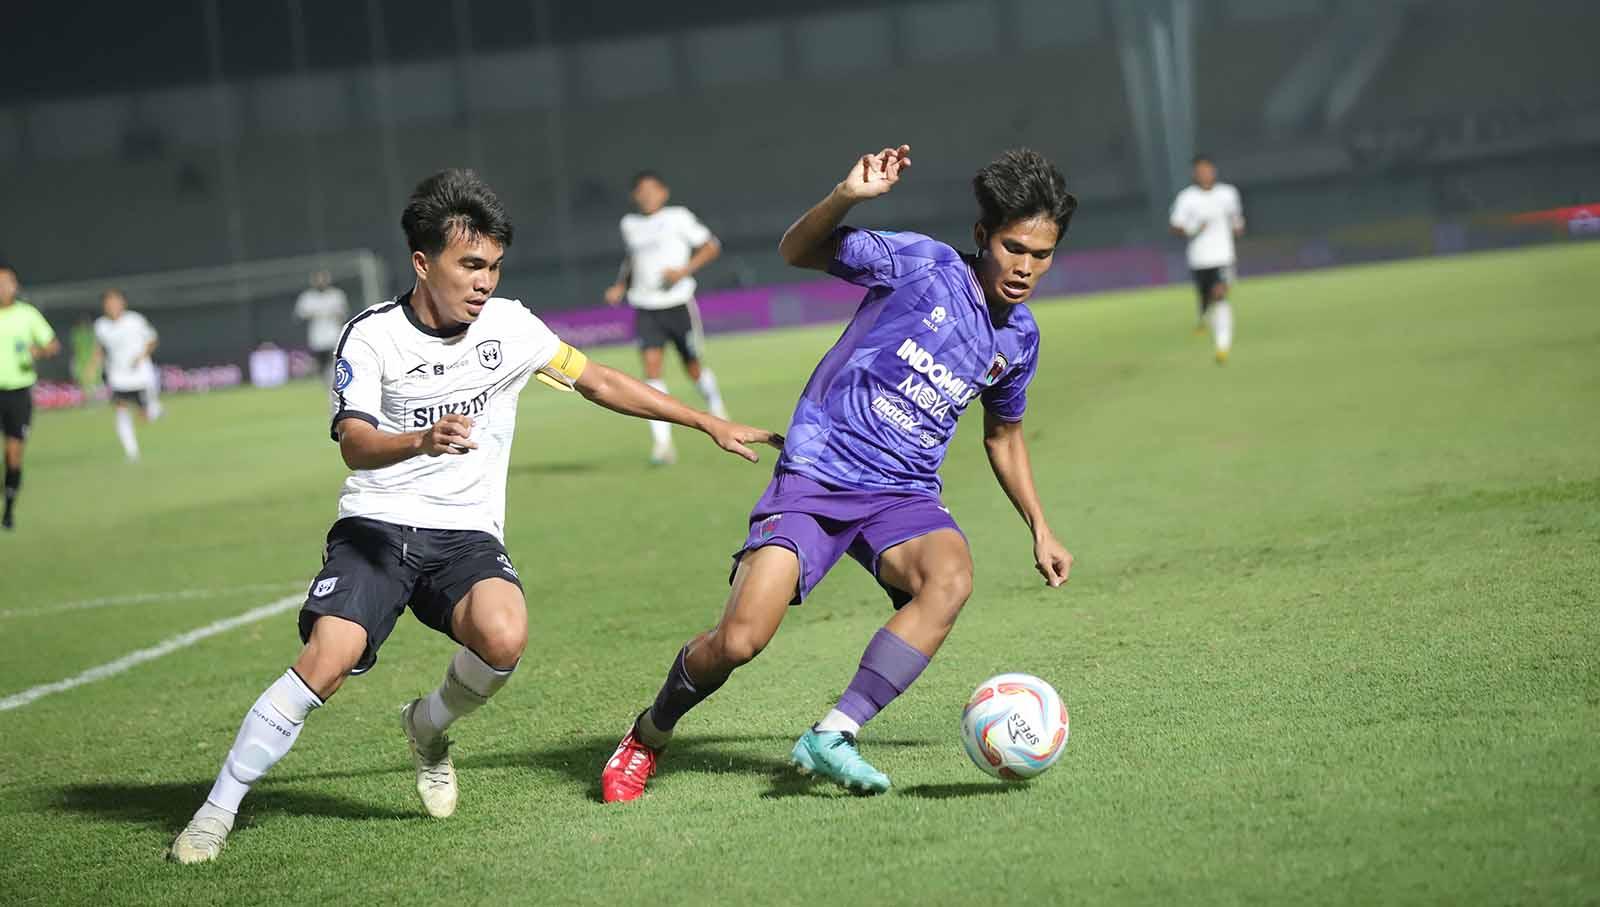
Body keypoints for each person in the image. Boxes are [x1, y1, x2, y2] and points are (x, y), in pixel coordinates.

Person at [168, 169, 782, 864]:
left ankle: (426, 728)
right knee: (328, 659)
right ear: (423, 263)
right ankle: (214, 814)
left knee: (504, 635)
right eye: (469, 265)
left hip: (464, 534)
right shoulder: (370, 338)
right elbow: (354, 443)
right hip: (377, 527)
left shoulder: (512, 327)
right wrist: (421, 439)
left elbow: (599, 380)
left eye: (493, 265)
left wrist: (703, 420)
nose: (484, 280)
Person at [600, 146, 1076, 801]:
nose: (1025, 267)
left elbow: (1004, 434)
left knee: (951, 576)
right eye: (1014, 247)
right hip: (819, 476)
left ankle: (835, 731)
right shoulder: (922, 266)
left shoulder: (1018, 339)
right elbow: (798, 250)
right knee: (739, 641)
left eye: (1041, 254)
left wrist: (1040, 527)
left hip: (902, 496)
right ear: (982, 237)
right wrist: (847, 196)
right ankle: (648, 733)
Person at [603, 171, 728, 465]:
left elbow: (711, 245)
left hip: (678, 303)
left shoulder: (678, 217)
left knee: (693, 367)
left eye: (651, 189)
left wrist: (684, 271)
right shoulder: (629, 225)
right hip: (646, 307)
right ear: (635, 196)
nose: (646, 195)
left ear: (663, 192)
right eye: (640, 191)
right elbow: (632, 259)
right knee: (652, 370)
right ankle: (662, 445)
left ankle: (716, 406)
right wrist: (621, 284)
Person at [0, 265, 60, 530]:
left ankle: (9, 511)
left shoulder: (27, 314)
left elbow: (52, 344)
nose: (3, 288)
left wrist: (39, 351)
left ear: (15, 286)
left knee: (13, 454)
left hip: (17, 392)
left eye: (7, 283)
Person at [1169, 155, 1244, 364]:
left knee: (1220, 294)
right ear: (1195, 173)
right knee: (1207, 301)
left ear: (1214, 171)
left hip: (1223, 256)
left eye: (1208, 169)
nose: (1205, 174)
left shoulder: (1228, 194)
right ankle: (1203, 318)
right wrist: (1194, 229)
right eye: (1200, 170)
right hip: (1199, 258)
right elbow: (1175, 226)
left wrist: (1238, 227)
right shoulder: (1187, 198)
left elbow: (1236, 218)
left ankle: (1223, 346)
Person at [92, 290, 161, 461]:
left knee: (146, 416)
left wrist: (142, 356)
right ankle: (132, 452)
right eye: (109, 303)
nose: (112, 306)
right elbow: (101, 348)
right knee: (121, 411)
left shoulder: (135, 320)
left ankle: (154, 408)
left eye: (115, 302)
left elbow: (152, 340)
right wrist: (93, 364)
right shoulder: (101, 325)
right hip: (118, 377)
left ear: (123, 303)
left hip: (140, 376)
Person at [295, 270, 350, 379]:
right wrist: (315, 314)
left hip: (334, 335)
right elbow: (300, 314)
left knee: (335, 363)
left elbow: (344, 313)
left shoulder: (336, 295)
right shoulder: (308, 297)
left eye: (323, 279)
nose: (321, 282)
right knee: (320, 365)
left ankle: (335, 384)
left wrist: (334, 314)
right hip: (317, 337)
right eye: (318, 279)